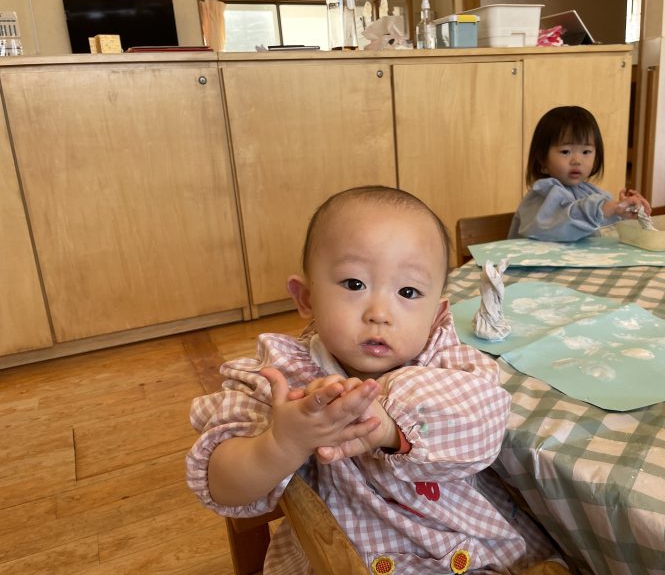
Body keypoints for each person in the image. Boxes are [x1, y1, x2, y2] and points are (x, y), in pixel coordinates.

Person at [186, 186, 564, 574]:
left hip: (470, 542)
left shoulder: (445, 360)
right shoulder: (282, 377)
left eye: (408, 291)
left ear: (436, 315)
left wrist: (388, 426)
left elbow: (485, 427)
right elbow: (221, 486)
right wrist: (282, 443)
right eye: (355, 284)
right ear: (306, 299)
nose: (379, 313)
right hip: (353, 557)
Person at [508, 105, 651, 242]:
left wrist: (624, 211)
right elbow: (561, 223)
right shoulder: (541, 195)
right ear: (542, 160)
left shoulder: (593, 194)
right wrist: (605, 208)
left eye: (586, 152)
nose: (577, 160)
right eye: (565, 151)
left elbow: (601, 228)